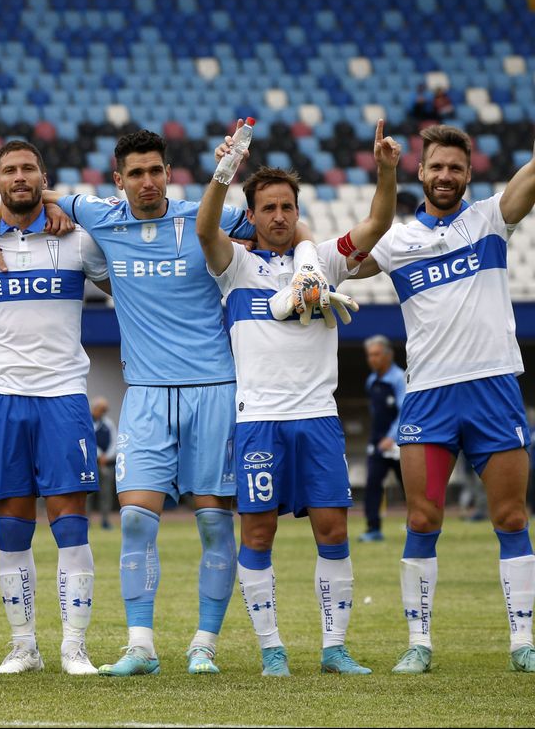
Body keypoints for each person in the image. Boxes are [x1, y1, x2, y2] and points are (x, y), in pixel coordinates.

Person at [0, 130, 265, 676]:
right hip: (147, 393)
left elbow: (281, 226)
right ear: (118, 180)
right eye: (136, 173)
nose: (147, 181)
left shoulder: (209, 215)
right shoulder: (99, 217)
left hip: (214, 388)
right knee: (133, 519)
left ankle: (203, 644)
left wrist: (310, 259)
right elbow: (26, 193)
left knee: (214, 525)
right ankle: (139, 645)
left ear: (170, 172)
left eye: (156, 170)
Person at [198, 118, 399, 676]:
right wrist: (224, 171)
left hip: (318, 420)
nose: (280, 216)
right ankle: (272, 650)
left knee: (333, 530)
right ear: (254, 214)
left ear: (297, 210)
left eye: (287, 206)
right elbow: (205, 229)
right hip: (259, 421)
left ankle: (334, 648)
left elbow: (379, 221)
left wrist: (386, 172)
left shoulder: (325, 261)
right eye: (268, 208)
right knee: (258, 533)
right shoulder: (235, 267)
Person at [367, 125, 535, 674]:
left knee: (511, 517)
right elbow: (341, 254)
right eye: (436, 166)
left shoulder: (489, 219)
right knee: (421, 518)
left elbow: (529, 178)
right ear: (421, 170)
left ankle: (523, 641)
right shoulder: (395, 242)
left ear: (469, 173)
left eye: (455, 168)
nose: (445, 176)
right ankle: (419, 642)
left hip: (493, 389)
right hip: (428, 396)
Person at [0, 142, 108, 676]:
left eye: (29, 171)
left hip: (63, 395)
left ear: (44, 177)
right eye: (10, 171)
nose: (20, 178)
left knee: (70, 524)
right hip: (0, 396)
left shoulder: (78, 241)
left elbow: (120, 228)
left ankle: (74, 647)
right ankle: (24, 647)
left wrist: (60, 204)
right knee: (12, 527)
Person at [360, 335, 406, 542]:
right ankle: (373, 528)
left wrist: (392, 437)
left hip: (398, 442)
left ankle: (417, 524)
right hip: (377, 443)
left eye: (377, 354)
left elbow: (404, 411)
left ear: (389, 355)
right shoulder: (371, 381)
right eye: (370, 355)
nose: (372, 359)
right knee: (372, 484)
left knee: (408, 486)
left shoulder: (399, 379)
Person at [92, 397, 118, 530]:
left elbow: (115, 442)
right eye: (101, 410)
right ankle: (86, 521)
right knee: (88, 494)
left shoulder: (108, 423)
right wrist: (98, 454)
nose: (103, 413)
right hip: (90, 463)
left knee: (106, 493)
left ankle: (105, 520)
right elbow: (87, 440)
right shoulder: (86, 422)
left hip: (106, 463)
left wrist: (106, 457)